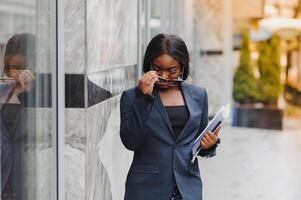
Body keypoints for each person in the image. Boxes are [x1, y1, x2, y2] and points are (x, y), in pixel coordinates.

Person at [119, 33, 221, 200]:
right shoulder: (132, 97)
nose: (164, 77)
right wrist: (144, 98)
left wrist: (209, 146)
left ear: (182, 66)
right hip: (146, 190)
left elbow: (198, 145)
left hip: (187, 188)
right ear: (149, 64)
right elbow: (131, 142)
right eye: (157, 69)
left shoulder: (199, 95)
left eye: (172, 70)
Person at [0, 33, 36, 200]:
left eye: (20, 67)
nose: (14, 73)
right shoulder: (3, 91)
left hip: (27, 182)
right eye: (9, 67)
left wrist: (32, 90)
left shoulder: (41, 94)